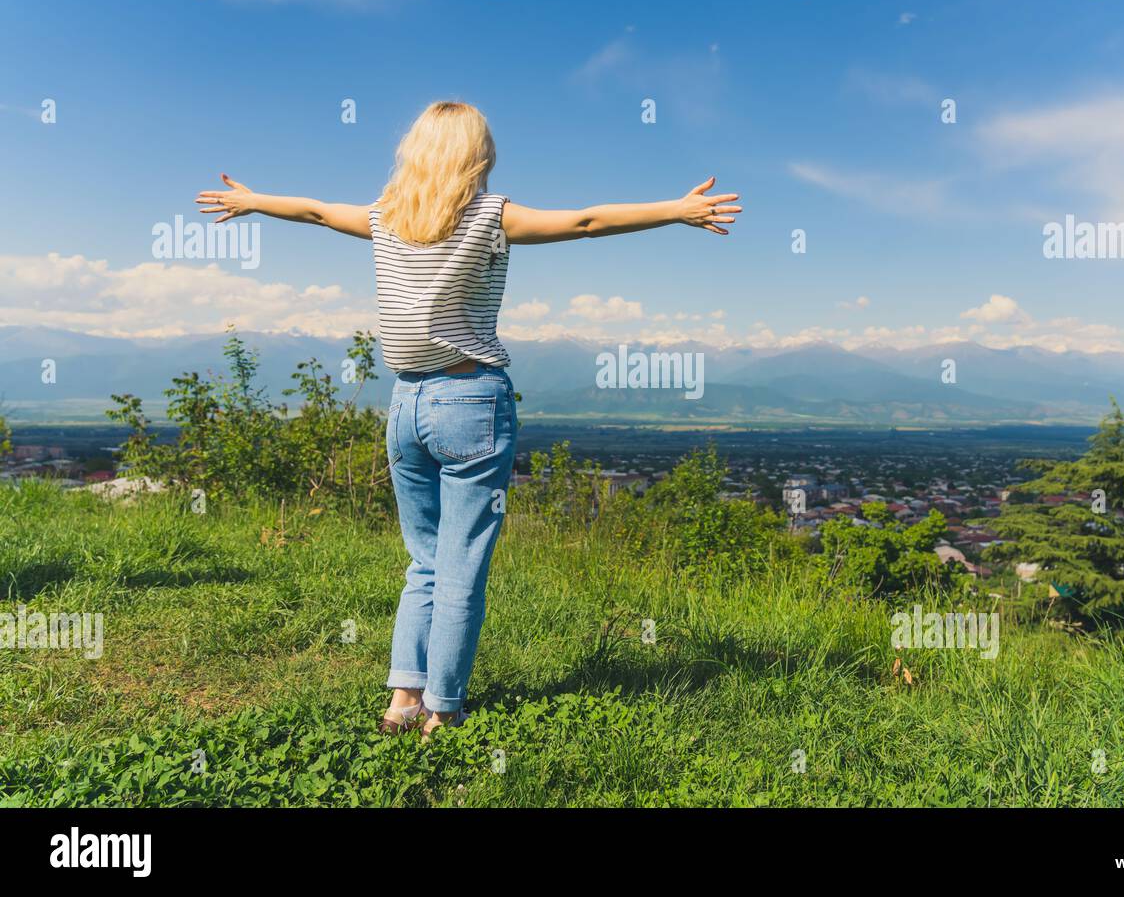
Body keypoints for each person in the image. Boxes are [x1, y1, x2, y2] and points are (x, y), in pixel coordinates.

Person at [196, 100, 742, 738]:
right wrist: (675, 211)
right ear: (476, 156)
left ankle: (403, 699)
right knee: (461, 566)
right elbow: (587, 222)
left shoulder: (385, 218)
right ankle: (444, 710)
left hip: (404, 405)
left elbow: (316, 211)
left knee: (422, 560)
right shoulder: (490, 216)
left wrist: (256, 200)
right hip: (470, 401)